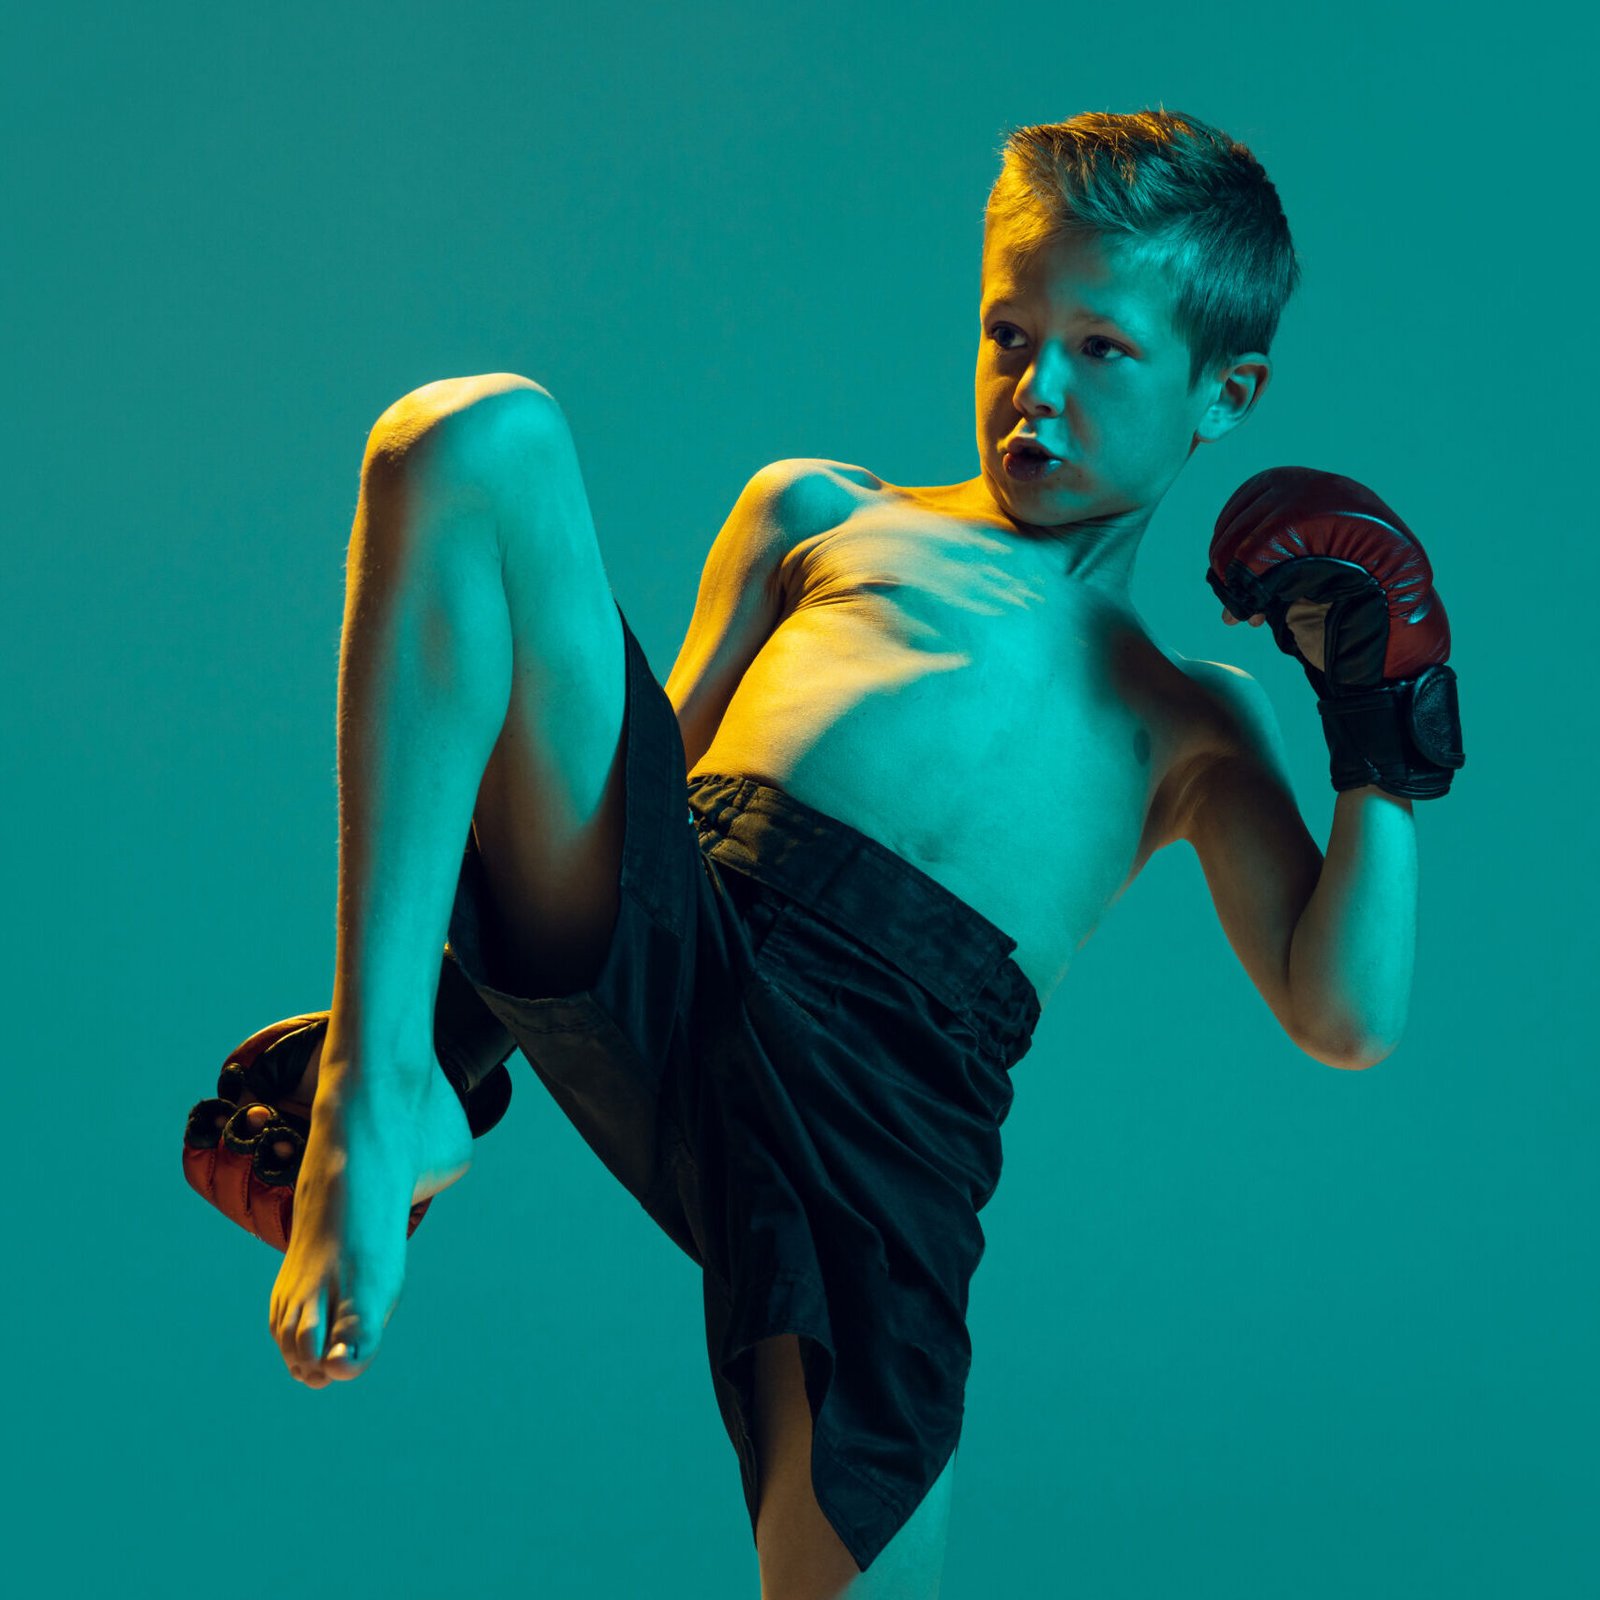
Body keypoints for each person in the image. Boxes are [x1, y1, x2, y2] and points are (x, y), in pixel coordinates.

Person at [186, 107, 1461, 1599]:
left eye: (1101, 351)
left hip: (887, 1121)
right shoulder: (821, 517)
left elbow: (1346, 1011)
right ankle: (388, 1087)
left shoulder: (1190, 719)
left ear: (1221, 393)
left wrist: (1381, 739)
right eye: (1007, 333)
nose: (1033, 391)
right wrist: (460, 1027)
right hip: (685, 938)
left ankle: (418, 1079)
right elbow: (619, 778)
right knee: (469, 434)